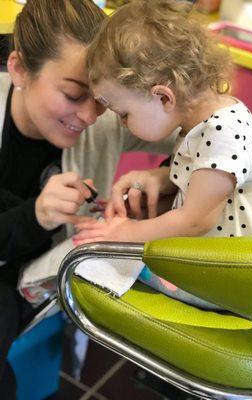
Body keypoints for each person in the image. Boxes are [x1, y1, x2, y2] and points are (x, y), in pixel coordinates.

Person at [0, 0, 174, 397]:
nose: (92, 116)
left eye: (102, 98)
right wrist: (37, 215)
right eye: (75, 95)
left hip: (31, 280)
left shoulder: (106, 119)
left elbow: (207, 126)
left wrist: (163, 174)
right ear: (19, 68)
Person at [73, 0, 252, 247]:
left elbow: (194, 222)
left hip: (239, 274)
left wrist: (127, 233)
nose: (121, 123)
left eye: (124, 113)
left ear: (164, 97)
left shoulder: (222, 133)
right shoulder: (199, 124)